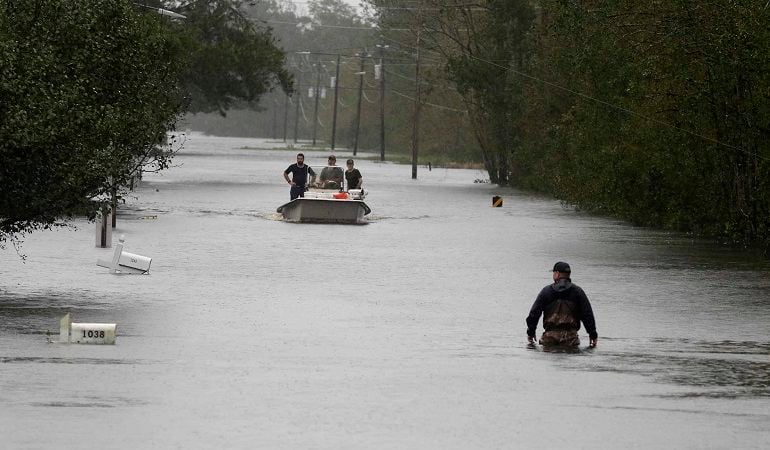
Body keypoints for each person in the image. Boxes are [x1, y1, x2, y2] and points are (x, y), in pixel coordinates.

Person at [526, 261, 598, 349]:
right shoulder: (577, 292)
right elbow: (587, 315)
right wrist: (592, 333)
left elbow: (534, 313)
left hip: (549, 338)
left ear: (557, 274)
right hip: (571, 339)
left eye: (553, 273)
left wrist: (531, 332)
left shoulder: (546, 291)